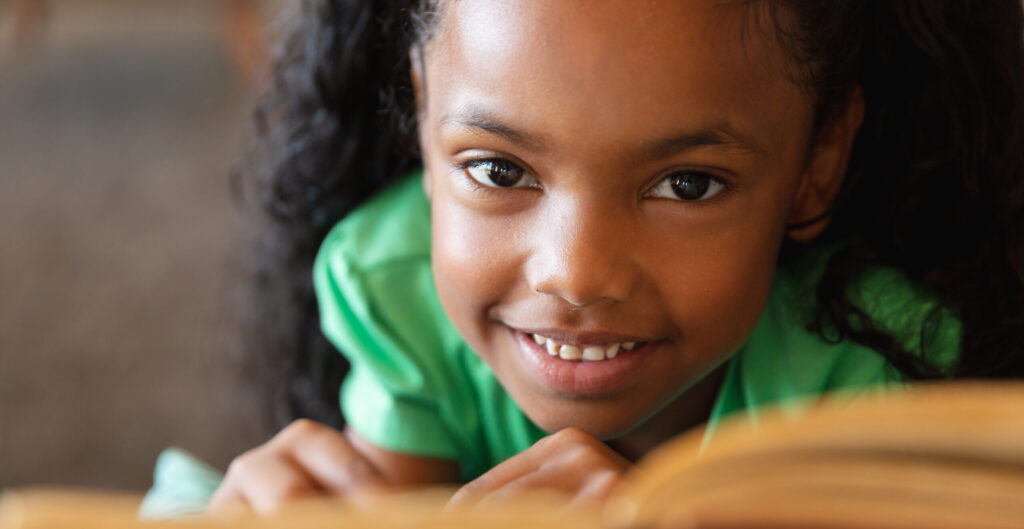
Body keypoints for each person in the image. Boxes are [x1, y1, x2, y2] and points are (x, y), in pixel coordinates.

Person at [140, 0, 1024, 518]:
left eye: (686, 184)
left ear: (817, 164)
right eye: (498, 170)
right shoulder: (398, 281)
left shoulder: (881, 369)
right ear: (419, 113)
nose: (576, 272)